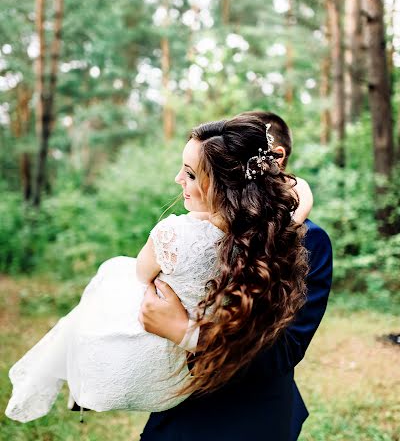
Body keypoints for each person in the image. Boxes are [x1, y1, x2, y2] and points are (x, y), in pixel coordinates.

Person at [5, 114, 310, 424]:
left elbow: (142, 273)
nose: (179, 179)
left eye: (190, 174)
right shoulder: (274, 233)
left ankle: (78, 366)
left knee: (112, 272)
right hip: (174, 401)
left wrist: (185, 332)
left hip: (231, 415)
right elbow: (300, 198)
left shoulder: (177, 234)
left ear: (224, 182)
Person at [125, 111, 333, 441]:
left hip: (241, 437)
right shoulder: (190, 230)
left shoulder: (307, 241)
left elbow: (283, 351)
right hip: (170, 425)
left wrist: (185, 333)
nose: (181, 180)